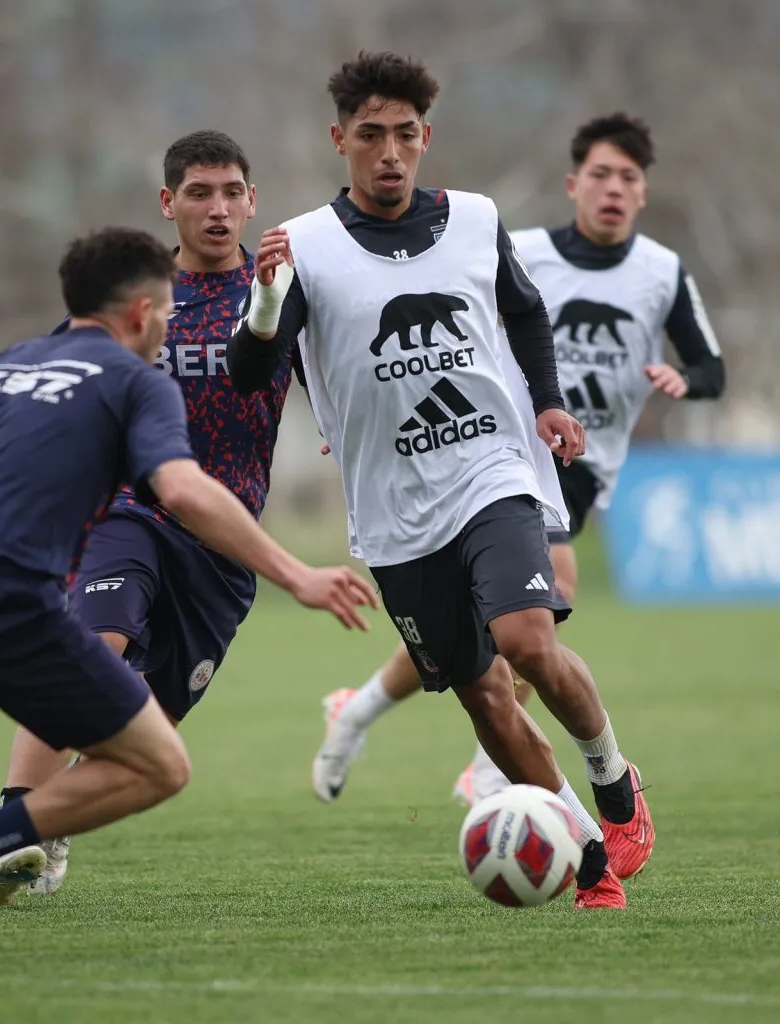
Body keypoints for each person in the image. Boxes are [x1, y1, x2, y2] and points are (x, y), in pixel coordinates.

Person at [0, 227, 376, 958]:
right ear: (142, 312)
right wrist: (297, 574)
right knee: (160, 764)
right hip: (7, 602)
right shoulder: (135, 380)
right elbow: (181, 490)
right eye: (170, 309)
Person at [228, 51, 653, 909]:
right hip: (393, 510)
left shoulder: (475, 219)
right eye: (372, 135)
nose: (390, 152)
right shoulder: (300, 248)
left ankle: (614, 785)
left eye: (406, 135)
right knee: (487, 699)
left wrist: (549, 404)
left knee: (529, 640)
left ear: (427, 138)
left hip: (493, 468)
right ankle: (586, 862)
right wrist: (267, 300)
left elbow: (525, 310)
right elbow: (250, 371)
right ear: (339, 139)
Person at [314, 111, 722, 877]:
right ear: (574, 185)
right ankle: (459, 741)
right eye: (600, 175)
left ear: (643, 194)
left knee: (527, 629)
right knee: (504, 637)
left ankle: (489, 760)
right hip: (495, 440)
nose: (613, 189)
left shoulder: (662, 271)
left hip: (575, 461)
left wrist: (684, 379)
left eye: (629, 179)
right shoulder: (515, 245)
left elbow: (711, 368)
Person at [0, 130, 298, 905]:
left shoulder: (288, 291)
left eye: (231, 192)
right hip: (128, 513)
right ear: (168, 203)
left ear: (253, 201)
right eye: (198, 192)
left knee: (139, 732)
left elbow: (338, 366)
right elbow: (59, 374)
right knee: (93, 644)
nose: (217, 209)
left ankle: (51, 823)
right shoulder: (136, 296)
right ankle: (12, 823)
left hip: (223, 547)